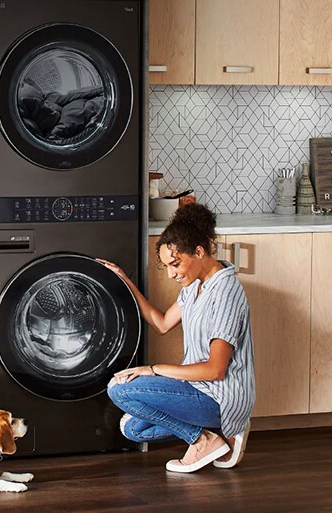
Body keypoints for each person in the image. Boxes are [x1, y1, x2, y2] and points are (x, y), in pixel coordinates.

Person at [98, 203, 255, 473]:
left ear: (199, 251)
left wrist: (152, 370)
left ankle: (203, 439)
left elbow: (215, 370)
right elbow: (161, 323)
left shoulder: (226, 293)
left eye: (176, 263)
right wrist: (124, 280)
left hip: (220, 397)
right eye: (168, 266)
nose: (171, 274)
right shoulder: (194, 286)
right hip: (198, 390)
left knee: (118, 388)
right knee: (132, 428)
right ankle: (215, 434)